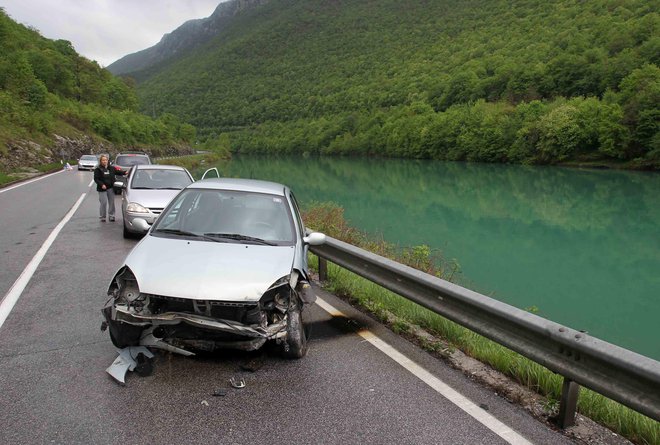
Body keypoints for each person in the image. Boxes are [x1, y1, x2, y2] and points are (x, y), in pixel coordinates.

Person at [93, 155, 125, 222]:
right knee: (103, 202)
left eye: (106, 160)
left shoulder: (111, 168)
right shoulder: (98, 169)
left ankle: (112, 216)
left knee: (111, 202)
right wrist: (102, 184)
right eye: (103, 160)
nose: (105, 161)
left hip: (110, 188)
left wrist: (125, 172)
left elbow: (118, 172)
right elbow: (96, 179)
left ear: (108, 161)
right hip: (102, 189)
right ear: (101, 161)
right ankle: (102, 217)